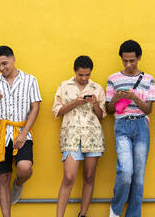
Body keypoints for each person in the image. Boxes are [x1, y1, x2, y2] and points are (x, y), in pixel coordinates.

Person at [0, 46, 41, 217]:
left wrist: (24, 134)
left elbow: (35, 108)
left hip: (21, 130)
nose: (2, 68)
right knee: (3, 178)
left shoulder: (30, 80)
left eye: (4, 63)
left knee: (24, 168)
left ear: (13, 59)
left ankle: (18, 184)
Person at [106, 40, 155, 217]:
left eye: (132, 61)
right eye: (125, 61)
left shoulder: (148, 79)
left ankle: (134, 214)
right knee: (126, 171)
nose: (129, 65)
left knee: (139, 176)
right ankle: (115, 210)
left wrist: (134, 97)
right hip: (121, 124)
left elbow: (149, 109)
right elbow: (108, 109)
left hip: (141, 125)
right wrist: (115, 99)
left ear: (139, 58)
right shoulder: (113, 79)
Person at [53, 55, 106, 217]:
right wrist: (75, 103)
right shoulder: (64, 86)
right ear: (75, 72)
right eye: (81, 75)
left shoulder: (97, 88)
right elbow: (56, 112)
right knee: (69, 177)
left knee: (89, 176)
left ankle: (82, 214)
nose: (84, 78)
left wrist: (95, 103)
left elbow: (102, 116)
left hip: (93, 137)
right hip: (71, 137)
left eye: (87, 75)